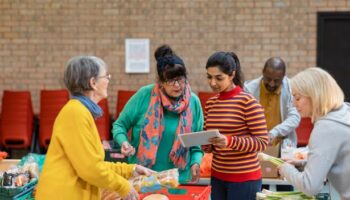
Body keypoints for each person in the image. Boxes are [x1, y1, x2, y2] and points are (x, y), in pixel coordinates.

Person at [36, 56, 152, 200]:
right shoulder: (75, 113)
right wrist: (123, 186)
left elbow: (94, 164)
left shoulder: (81, 111)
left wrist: (131, 170)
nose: (108, 80)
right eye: (106, 76)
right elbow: (90, 169)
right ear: (93, 83)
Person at [112, 45, 204, 184]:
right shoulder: (144, 95)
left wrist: (196, 163)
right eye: (171, 81)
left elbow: (197, 143)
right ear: (161, 82)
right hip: (144, 178)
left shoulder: (193, 102)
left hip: (179, 179)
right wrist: (124, 142)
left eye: (180, 79)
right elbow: (119, 125)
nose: (177, 85)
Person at [203, 51, 268, 200]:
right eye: (209, 77)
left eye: (219, 78)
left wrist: (230, 141)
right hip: (218, 177)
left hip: (244, 180)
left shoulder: (248, 102)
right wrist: (205, 143)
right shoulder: (211, 104)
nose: (213, 83)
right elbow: (211, 143)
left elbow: (262, 142)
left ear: (232, 75)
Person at [278, 67, 350, 200]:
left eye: (297, 98)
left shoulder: (325, 128)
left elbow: (310, 186)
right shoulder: (344, 112)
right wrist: (304, 162)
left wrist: (285, 169)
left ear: (314, 95)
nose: (293, 104)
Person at [244, 57, 300, 148]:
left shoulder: (291, 88)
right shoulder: (249, 89)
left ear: (283, 76)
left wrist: (273, 133)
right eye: (268, 79)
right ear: (263, 72)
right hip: (256, 144)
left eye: (276, 80)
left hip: (283, 145)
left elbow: (294, 118)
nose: (271, 84)